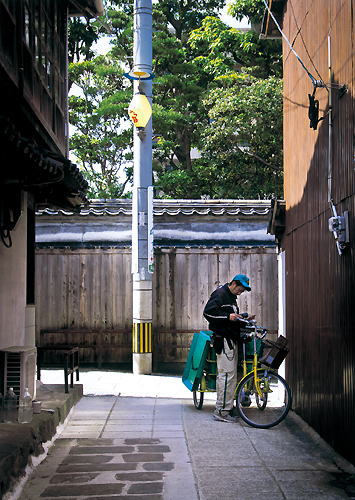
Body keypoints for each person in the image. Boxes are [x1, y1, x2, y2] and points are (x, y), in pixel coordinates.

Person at [203, 274, 255, 423]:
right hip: (224, 341)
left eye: (242, 291)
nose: (240, 293)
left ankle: (226, 407)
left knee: (230, 377)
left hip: (230, 341)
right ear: (233, 283)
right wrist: (228, 317)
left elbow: (229, 317)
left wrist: (243, 318)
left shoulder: (230, 297)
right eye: (240, 289)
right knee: (226, 376)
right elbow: (208, 313)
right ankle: (221, 411)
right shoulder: (220, 294)